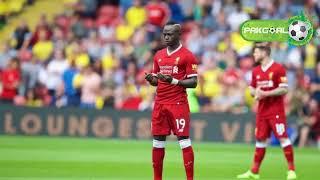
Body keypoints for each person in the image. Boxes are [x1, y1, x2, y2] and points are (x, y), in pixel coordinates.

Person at [145, 21, 198, 180]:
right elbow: (157, 81)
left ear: (178, 34)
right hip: (160, 103)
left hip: (177, 103)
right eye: (164, 34)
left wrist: (174, 81)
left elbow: (194, 82)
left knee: (184, 141)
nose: (166, 37)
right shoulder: (159, 55)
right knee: (157, 142)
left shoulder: (188, 56)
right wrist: (151, 79)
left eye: (170, 34)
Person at [237, 42, 297, 180]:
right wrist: (254, 92)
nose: (254, 55)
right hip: (262, 112)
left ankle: (291, 171)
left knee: (283, 138)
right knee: (260, 140)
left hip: (276, 111)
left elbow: (284, 88)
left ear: (264, 52)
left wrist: (265, 94)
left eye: (256, 52)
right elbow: (252, 88)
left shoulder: (278, 68)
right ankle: (254, 171)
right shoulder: (256, 71)